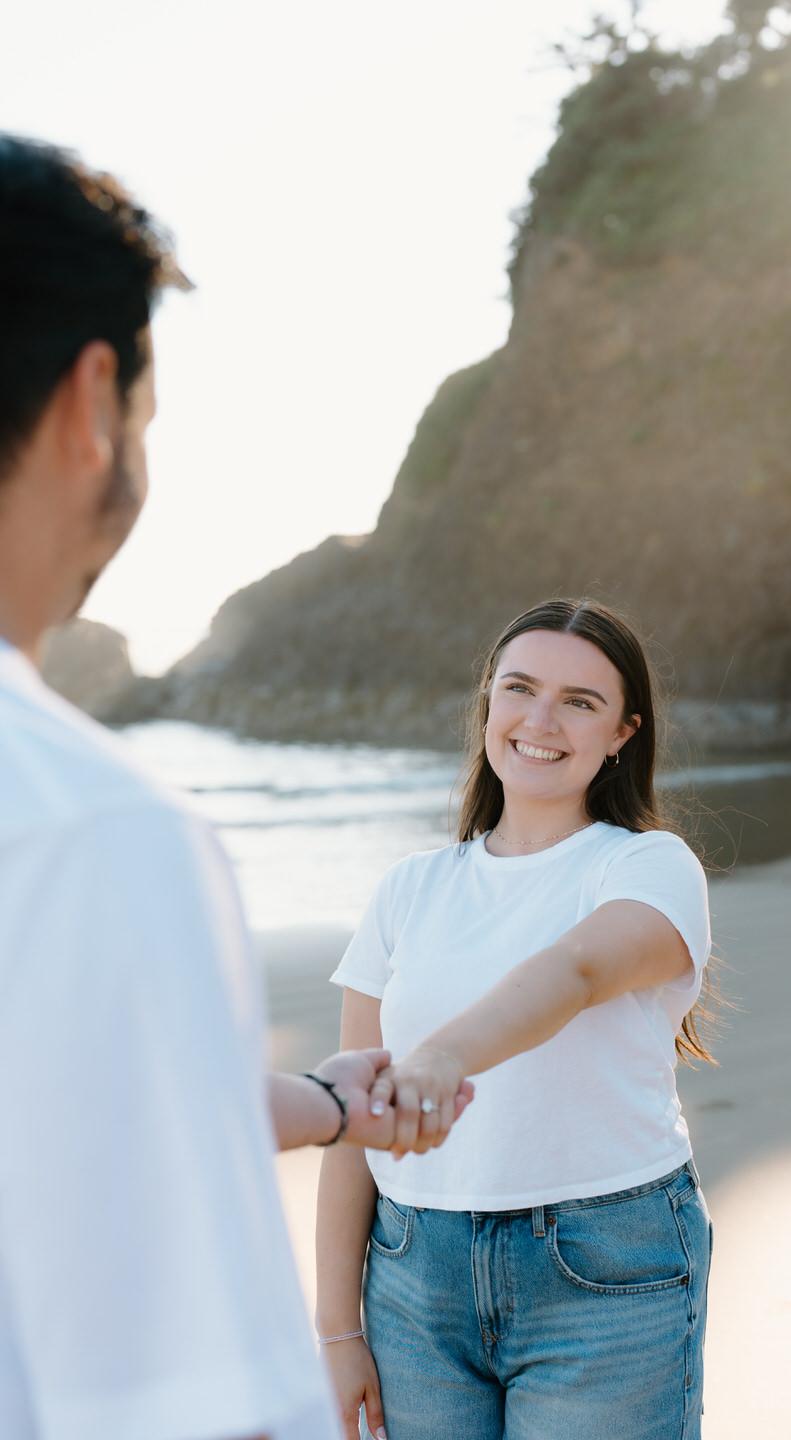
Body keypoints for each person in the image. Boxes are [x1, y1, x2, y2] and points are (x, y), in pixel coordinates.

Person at [0, 134, 468, 1440]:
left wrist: (323, 1105)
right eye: (148, 413)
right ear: (95, 403)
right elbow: (188, 1403)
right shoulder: (87, 829)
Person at [316, 597, 715, 1440]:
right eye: (520, 689)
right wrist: (336, 1329)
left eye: (580, 701)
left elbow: (574, 972)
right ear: (488, 707)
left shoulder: (647, 867)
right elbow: (355, 1124)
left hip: (605, 1264)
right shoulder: (409, 889)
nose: (541, 720)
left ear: (623, 734)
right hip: (411, 1274)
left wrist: (439, 1058)